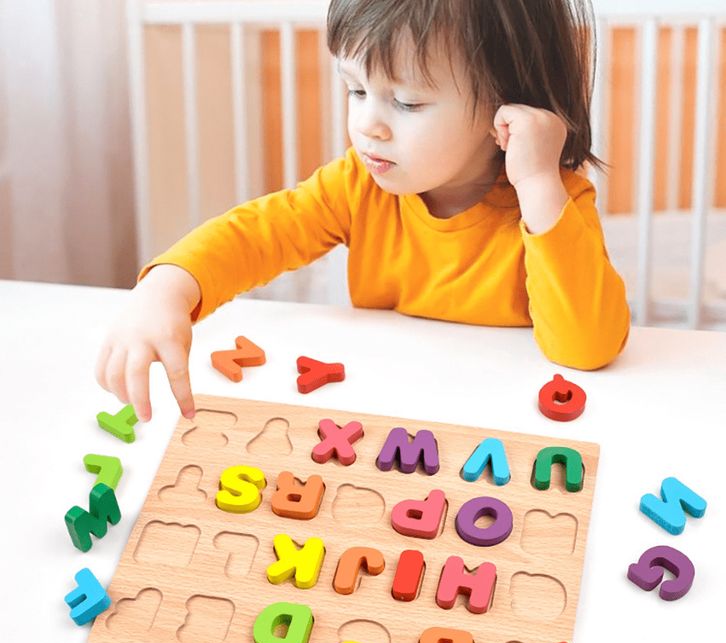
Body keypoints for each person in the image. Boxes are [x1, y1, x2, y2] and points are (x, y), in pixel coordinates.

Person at [96, 0, 630, 423]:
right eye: (355, 90)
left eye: (407, 102)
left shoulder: (553, 201)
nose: (367, 124)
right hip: (389, 412)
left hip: (508, 421)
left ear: (507, 107)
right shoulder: (357, 186)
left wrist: (537, 182)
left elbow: (587, 346)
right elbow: (260, 233)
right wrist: (168, 287)